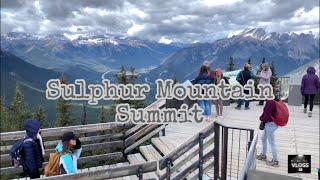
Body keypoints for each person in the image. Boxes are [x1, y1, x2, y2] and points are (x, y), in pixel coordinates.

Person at [256, 92, 280, 167]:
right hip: (270, 123)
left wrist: (262, 119)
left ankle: (275, 161)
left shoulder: (270, 102)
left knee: (272, 142)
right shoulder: (272, 100)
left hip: (270, 124)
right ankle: (263, 155)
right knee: (263, 138)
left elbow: (267, 114)